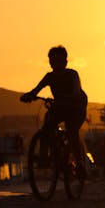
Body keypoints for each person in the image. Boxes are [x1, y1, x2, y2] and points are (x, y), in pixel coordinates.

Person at [20, 45, 88, 176]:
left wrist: (68, 97)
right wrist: (29, 96)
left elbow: (76, 91)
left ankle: (80, 164)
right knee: (46, 128)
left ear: (65, 62)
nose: (56, 65)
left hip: (76, 107)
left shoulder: (72, 74)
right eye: (53, 62)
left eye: (59, 61)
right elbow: (36, 90)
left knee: (72, 131)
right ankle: (44, 158)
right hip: (60, 106)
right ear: (50, 62)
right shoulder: (49, 77)